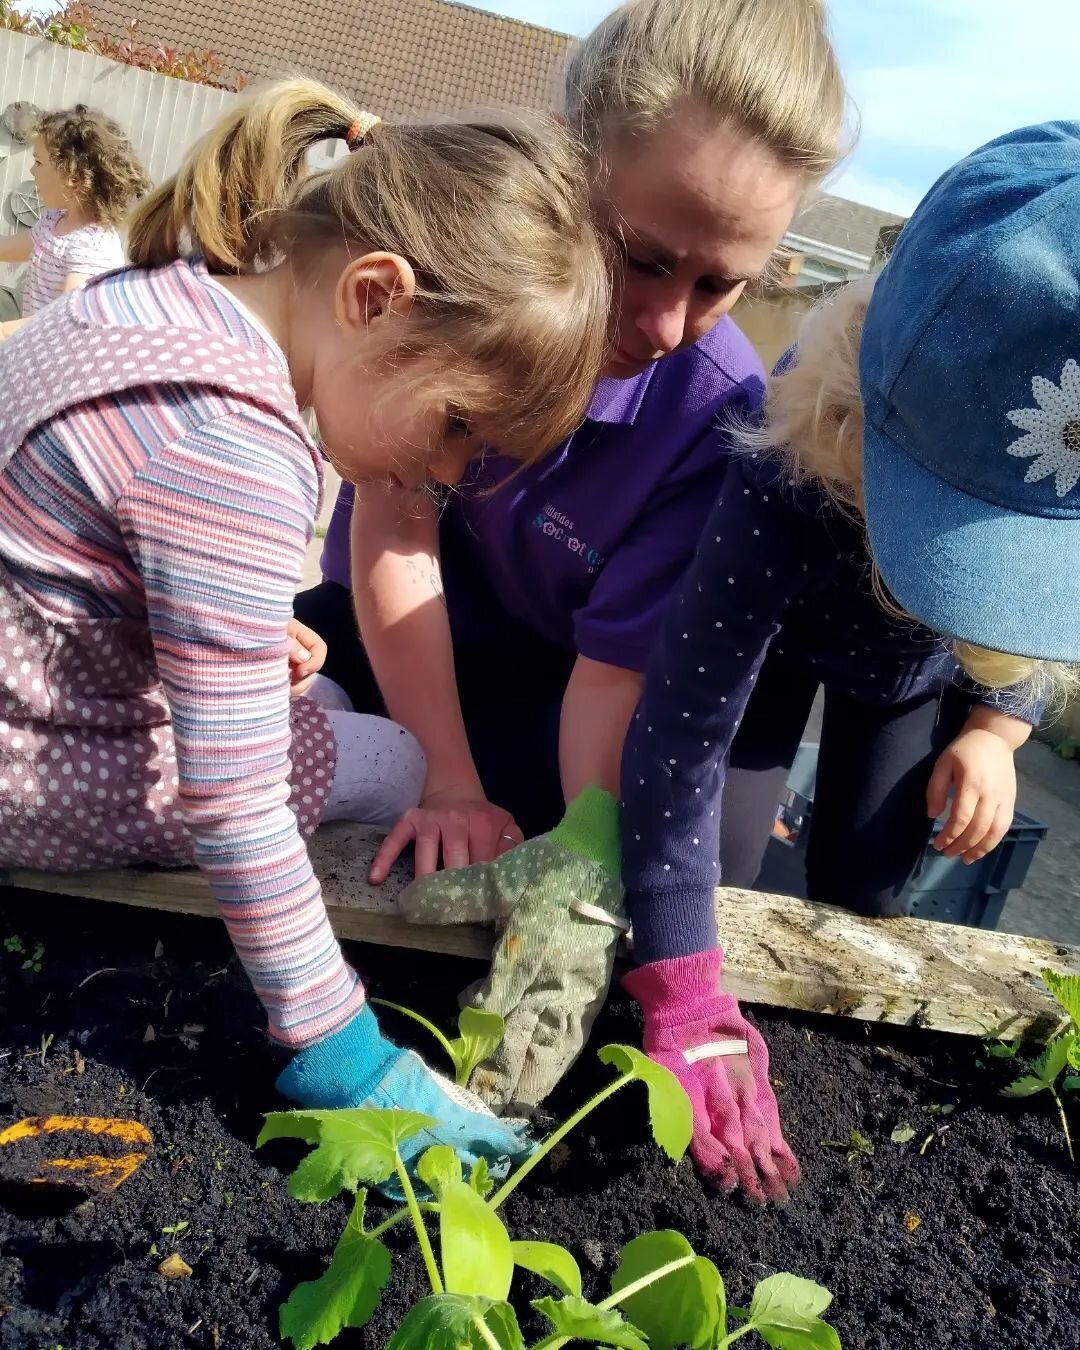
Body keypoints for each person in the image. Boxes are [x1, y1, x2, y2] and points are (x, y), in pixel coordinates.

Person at [0, 78, 612, 1176]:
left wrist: (178, 632)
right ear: (376, 295)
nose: (447, 472)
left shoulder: (156, 296)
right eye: (459, 426)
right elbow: (227, 800)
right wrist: (344, 1050)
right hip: (27, 773)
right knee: (385, 752)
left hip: (32, 672)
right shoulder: (236, 447)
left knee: (306, 693)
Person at [615, 121, 1080, 1204]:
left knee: (867, 884)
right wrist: (682, 985)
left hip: (910, 683)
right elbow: (681, 724)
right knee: (712, 869)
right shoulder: (786, 456)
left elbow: (1014, 642)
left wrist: (995, 730)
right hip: (777, 646)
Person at [296, 0, 849, 884]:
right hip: (384, 621)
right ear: (559, 160)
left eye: (719, 284)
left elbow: (612, 674)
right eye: (639, 256)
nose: (667, 324)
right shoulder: (464, 270)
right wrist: (444, 775)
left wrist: (527, 828)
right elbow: (396, 530)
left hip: (551, 691)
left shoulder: (715, 411)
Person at [0, 106, 150, 331]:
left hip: (53, 357)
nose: (32, 171)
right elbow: (9, 247)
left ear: (74, 177)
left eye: (39, 162)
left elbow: (65, 322)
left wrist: (4, 333)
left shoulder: (91, 248)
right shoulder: (55, 222)